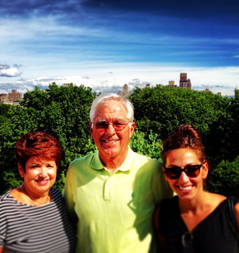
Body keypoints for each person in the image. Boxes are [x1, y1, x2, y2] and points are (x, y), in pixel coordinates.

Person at [65, 93, 173, 253]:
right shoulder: (76, 170)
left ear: (131, 129)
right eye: (102, 124)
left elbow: (172, 225)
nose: (110, 131)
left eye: (118, 123)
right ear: (91, 129)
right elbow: (70, 222)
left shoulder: (153, 171)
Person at [154, 124, 239, 253]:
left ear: (204, 170)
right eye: (174, 171)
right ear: (165, 174)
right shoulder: (162, 215)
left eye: (192, 169)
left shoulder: (233, 213)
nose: (183, 179)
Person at [0, 131, 76, 253]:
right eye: (35, 166)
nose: (43, 174)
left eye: (49, 166)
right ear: (21, 169)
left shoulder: (58, 199)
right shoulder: (1, 211)